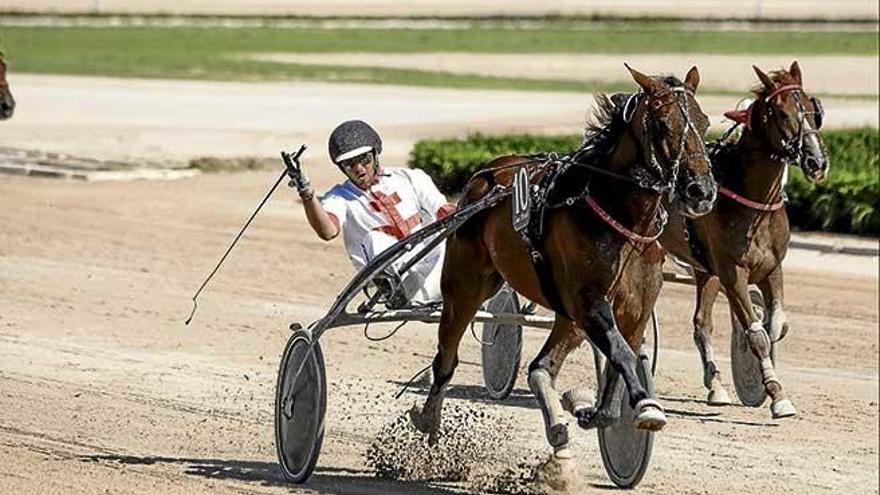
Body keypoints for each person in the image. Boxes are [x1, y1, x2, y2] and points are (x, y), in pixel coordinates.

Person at [285, 120, 455, 308]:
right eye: (350, 164)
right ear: (342, 168)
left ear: (375, 154)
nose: (359, 169)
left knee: (448, 231)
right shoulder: (339, 197)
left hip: (434, 271)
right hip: (398, 279)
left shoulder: (412, 178)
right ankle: (395, 291)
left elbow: (445, 212)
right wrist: (306, 191)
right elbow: (327, 232)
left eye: (364, 159)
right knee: (375, 239)